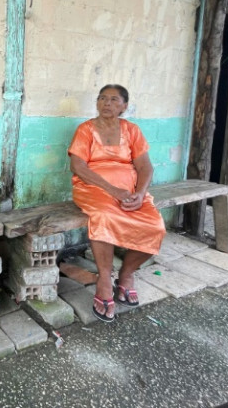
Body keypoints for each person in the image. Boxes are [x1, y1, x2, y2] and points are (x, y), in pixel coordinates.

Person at [67, 84, 166, 323]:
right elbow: (78, 167)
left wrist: (140, 194)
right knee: (103, 215)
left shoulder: (132, 130)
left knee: (156, 227)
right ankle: (103, 279)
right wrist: (113, 191)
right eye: (102, 98)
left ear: (124, 106)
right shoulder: (86, 130)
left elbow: (145, 167)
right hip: (92, 189)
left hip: (130, 191)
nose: (106, 103)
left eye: (113, 99)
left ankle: (126, 274)